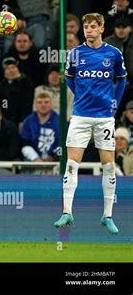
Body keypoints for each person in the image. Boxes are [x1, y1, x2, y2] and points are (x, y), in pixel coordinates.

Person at [55, 13, 127, 235]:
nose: (88, 30)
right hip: (80, 116)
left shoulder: (114, 53)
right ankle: (67, 212)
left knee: (108, 167)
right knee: (71, 165)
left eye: (93, 26)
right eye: (86, 27)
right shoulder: (75, 54)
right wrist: (81, 95)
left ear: (101, 29)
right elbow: (69, 78)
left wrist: (115, 102)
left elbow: (122, 78)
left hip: (104, 117)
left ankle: (107, 216)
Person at [20, 93, 60, 162]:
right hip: (33, 160)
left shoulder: (60, 120)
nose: (43, 105)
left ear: (51, 104)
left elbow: (63, 143)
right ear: (35, 105)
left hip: (55, 160)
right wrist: (35, 158)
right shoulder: (28, 121)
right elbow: (25, 144)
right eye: (39, 102)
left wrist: (53, 156)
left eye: (46, 102)